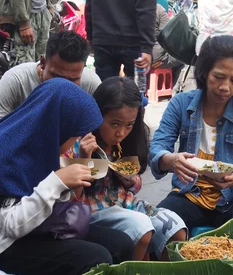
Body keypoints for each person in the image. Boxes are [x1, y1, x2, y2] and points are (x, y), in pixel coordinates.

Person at [0, 78, 134, 275]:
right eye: (75, 135)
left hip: (34, 226)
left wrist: (80, 166)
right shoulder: (2, 153)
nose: (74, 143)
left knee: (122, 243)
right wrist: (57, 181)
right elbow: (11, 226)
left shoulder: (38, 141)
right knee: (97, 258)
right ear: (59, 127)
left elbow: (61, 202)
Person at [150, 35, 233, 231]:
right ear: (205, 73)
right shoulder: (181, 104)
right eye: (218, 77)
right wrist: (170, 160)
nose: (225, 87)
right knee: (158, 227)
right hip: (190, 193)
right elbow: (158, 147)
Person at [64, 77, 187, 260]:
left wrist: (128, 177)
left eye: (129, 125)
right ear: (97, 115)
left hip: (126, 203)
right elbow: (73, 199)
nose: (121, 132)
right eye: (115, 124)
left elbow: (135, 185)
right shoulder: (77, 144)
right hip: (92, 210)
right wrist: (84, 160)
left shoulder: (127, 141)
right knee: (141, 228)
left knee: (176, 227)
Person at [0, 31, 101, 132]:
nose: (63, 86)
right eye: (57, 77)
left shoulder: (90, 84)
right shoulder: (16, 80)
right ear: (43, 62)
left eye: (73, 80)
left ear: (83, 68)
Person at [84, 0, 157, 81]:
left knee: (105, 96)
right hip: (136, 43)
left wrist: (91, 35)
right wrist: (146, 46)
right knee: (136, 95)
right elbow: (146, 4)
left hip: (102, 38)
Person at [153, 5, 185, 83]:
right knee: (185, 58)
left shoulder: (130, 8)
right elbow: (168, 37)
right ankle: (176, 90)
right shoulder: (159, 9)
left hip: (133, 57)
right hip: (155, 59)